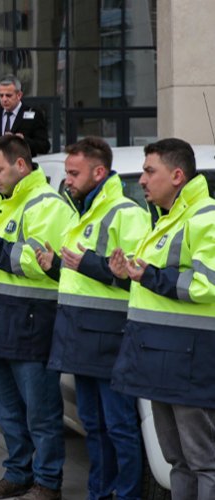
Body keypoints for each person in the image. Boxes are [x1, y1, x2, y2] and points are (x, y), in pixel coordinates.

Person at [0, 135, 75, 500]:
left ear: (20, 166)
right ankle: (18, 473)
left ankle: (47, 482)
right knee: (6, 413)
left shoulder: (47, 205)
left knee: (40, 414)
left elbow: (36, 263)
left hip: (30, 325)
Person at [35, 137, 147, 500]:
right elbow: (79, 281)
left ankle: (126, 494)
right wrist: (55, 268)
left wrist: (88, 264)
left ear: (99, 172)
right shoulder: (85, 209)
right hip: (82, 338)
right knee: (95, 427)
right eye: (66, 172)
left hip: (110, 339)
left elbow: (135, 275)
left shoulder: (126, 212)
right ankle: (100, 492)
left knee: (119, 426)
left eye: (73, 172)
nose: (67, 179)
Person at [111, 138, 215, 499]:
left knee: (203, 461)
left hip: (190, 360)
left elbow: (208, 284)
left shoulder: (205, 216)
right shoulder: (169, 219)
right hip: (162, 359)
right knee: (177, 462)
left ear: (176, 175)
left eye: (149, 171)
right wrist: (128, 272)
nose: (142, 180)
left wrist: (149, 275)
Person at [0, 75, 50, 157]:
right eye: (1, 95)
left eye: (8, 95)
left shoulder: (34, 115)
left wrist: (23, 141)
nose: (4, 99)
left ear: (19, 95)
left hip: (22, 166)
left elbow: (44, 146)